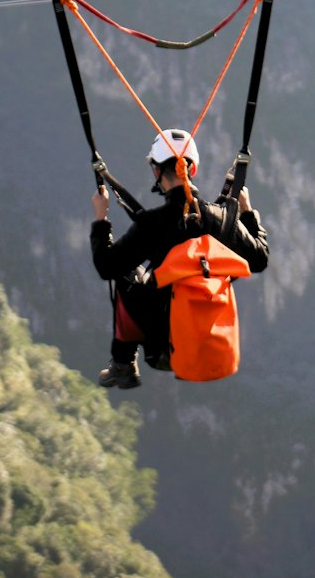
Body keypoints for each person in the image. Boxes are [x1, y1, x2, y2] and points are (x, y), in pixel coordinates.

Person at [90, 127, 269, 389]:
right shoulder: (221, 219)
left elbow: (106, 266)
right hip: (213, 336)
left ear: (156, 171)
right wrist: (247, 211)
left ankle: (123, 363)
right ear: (192, 170)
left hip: (164, 345)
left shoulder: (151, 225)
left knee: (127, 272)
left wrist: (100, 219)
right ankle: (127, 362)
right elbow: (260, 259)